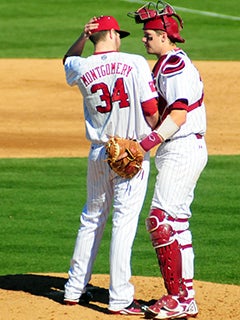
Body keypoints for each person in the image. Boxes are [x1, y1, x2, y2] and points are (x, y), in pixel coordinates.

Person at [62, 15, 159, 315]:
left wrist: (82, 34)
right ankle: (119, 299)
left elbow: (68, 59)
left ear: (94, 37)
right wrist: (159, 134)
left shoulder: (81, 66)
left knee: (91, 218)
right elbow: (151, 109)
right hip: (130, 153)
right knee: (123, 224)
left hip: (99, 153)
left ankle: (74, 290)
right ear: (114, 34)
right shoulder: (135, 62)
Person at [127, 1, 208, 319]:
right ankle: (185, 297)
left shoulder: (174, 66)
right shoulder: (166, 63)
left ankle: (178, 298)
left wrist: (145, 144)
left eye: (148, 35)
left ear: (164, 35)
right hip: (181, 149)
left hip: (183, 147)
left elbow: (177, 115)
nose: (144, 40)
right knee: (176, 224)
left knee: (160, 222)